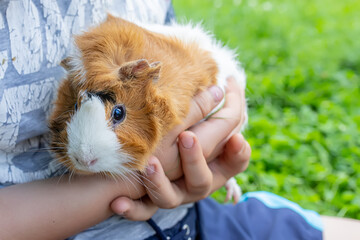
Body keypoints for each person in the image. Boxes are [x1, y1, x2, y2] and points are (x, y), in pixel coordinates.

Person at [0, 1, 359, 239]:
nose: (83, 153)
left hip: (191, 218)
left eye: (117, 115)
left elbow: (206, 67)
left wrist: (223, 123)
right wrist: (144, 176)